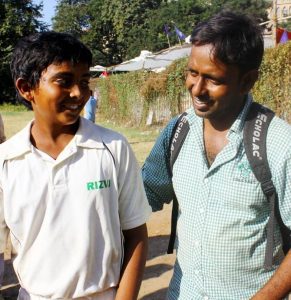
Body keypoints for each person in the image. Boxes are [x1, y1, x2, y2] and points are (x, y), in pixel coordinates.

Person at [142, 11, 291, 300]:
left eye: (212, 79)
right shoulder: (178, 131)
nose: (197, 89)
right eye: (192, 73)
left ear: (248, 80)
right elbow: (143, 194)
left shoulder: (277, 142)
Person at [0, 31, 151, 300]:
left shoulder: (112, 148)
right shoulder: (6, 161)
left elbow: (136, 234)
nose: (78, 93)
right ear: (26, 88)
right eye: (64, 81)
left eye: (84, 81)